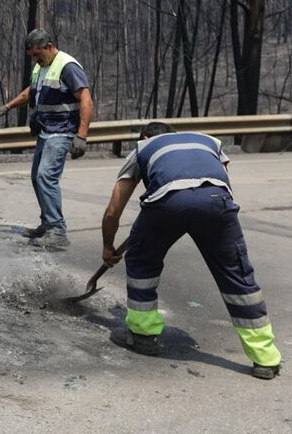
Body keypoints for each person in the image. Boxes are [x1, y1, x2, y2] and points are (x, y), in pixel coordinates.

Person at [100, 121, 281, 379]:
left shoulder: (143, 147)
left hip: (165, 203)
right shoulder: (209, 141)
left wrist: (108, 247)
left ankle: (142, 336)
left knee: (141, 261)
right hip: (216, 201)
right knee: (237, 275)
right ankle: (265, 358)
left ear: (145, 136)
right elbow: (224, 181)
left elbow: (113, 210)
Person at [0, 29, 93, 248]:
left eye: (38, 55)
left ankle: (57, 231)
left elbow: (86, 98)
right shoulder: (41, 67)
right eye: (32, 57)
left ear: (49, 46)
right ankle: (47, 224)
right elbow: (31, 92)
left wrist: (81, 136)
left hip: (62, 131)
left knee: (46, 176)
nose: (35, 60)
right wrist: (7, 106)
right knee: (37, 177)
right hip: (46, 131)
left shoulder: (67, 66)